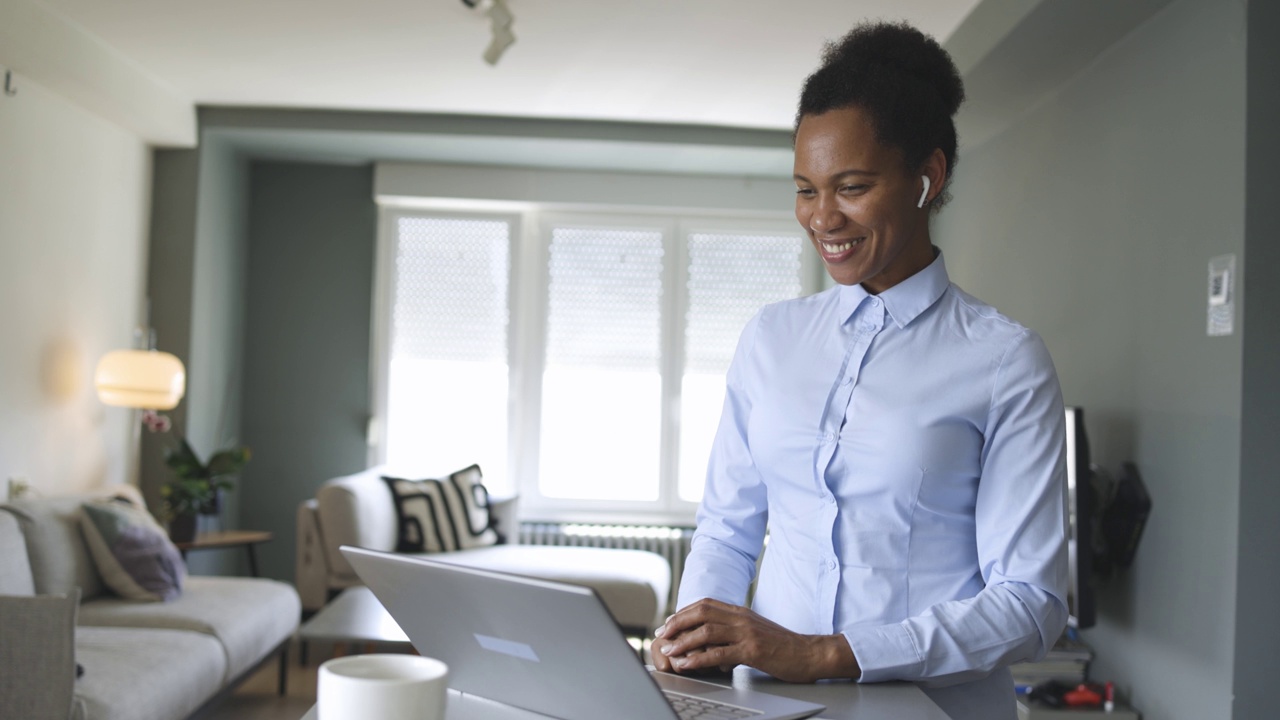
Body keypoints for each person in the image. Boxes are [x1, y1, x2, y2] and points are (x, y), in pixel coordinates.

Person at [651, 21, 1068, 720]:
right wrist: (695, 649)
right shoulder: (772, 339)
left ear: (926, 179)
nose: (822, 218)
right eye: (806, 189)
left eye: (851, 186)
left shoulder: (1003, 360)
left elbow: (1030, 604)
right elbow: (728, 528)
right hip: (766, 709)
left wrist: (823, 654)